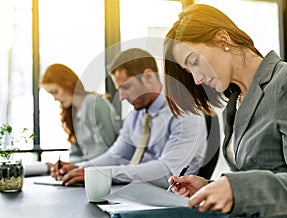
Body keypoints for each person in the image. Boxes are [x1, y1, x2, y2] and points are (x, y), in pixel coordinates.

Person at [163, 4, 287, 218]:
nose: (197, 80)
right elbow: (260, 173)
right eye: (189, 72)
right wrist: (211, 188)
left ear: (223, 39)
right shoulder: (235, 102)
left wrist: (235, 189)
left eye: (195, 62)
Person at [50, 48, 210, 189]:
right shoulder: (136, 115)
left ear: (148, 77)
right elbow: (116, 155)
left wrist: (104, 174)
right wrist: (80, 168)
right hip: (135, 193)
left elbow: (167, 172)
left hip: (170, 198)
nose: (121, 97)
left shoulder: (186, 113)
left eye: (126, 87)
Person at [41, 63, 121, 166]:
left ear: (68, 83)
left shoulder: (95, 104)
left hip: (107, 170)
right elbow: (75, 152)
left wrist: (74, 165)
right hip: (88, 170)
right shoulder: (72, 113)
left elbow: (105, 150)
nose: (55, 98)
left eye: (55, 92)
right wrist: (65, 166)